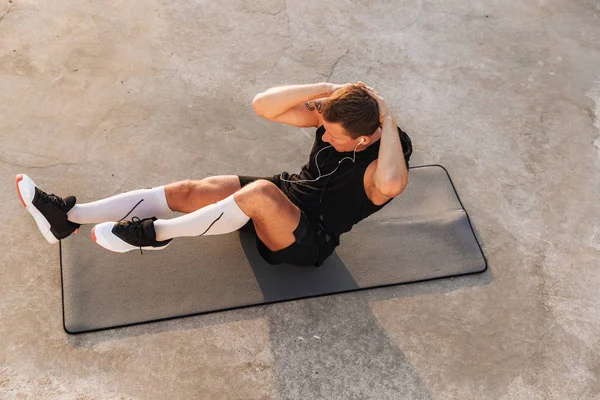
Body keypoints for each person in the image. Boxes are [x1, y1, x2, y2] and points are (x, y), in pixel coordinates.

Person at [15, 81, 412, 267]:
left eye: (333, 135)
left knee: (258, 193)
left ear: (363, 139)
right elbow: (263, 105)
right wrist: (329, 87)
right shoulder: (341, 117)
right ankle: (68, 218)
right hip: (286, 193)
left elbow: (392, 184)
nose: (322, 135)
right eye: (323, 126)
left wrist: (387, 115)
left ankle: (155, 235)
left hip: (308, 236)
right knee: (192, 190)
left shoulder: (384, 164)